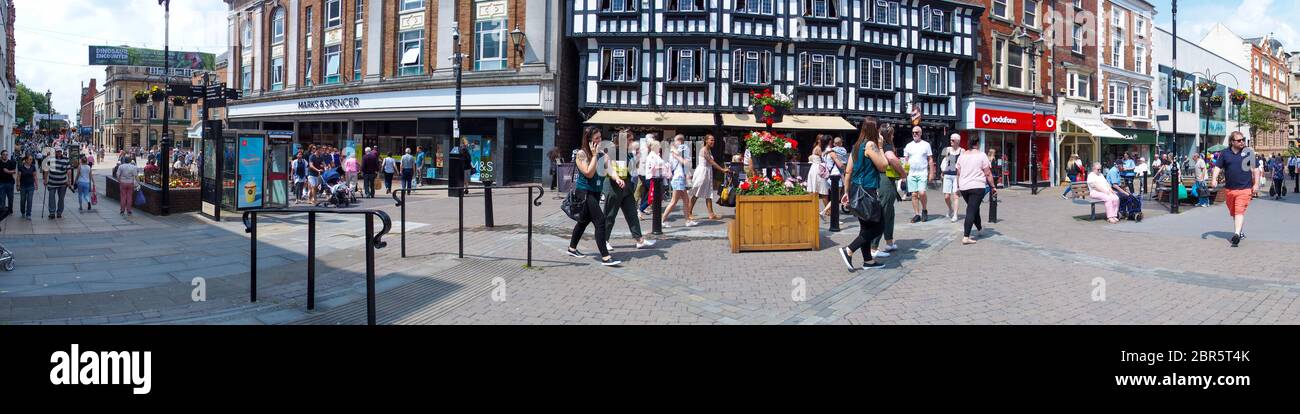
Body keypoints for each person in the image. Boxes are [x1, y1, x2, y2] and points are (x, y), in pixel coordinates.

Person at [836, 117, 888, 271]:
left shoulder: (856, 146)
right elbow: (883, 166)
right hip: (868, 190)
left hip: (856, 189)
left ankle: (868, 261)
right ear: (874, 129)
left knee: (865, 228)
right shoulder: (871, 145)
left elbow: (848, 171)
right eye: (878, 128)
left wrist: (846, 192)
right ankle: (849, 250)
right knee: (879, 226)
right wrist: (881, 146)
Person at [567, 127, 624, 266]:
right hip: (585, 192)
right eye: (596, 138)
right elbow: (588, 173)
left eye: (600, 137)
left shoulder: (602, 154)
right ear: (589, 140)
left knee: (583, 221)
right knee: (600, 221)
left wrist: (617, 178)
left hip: (596, 192)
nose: (600, 141)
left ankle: (571, 248)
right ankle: (605, 256)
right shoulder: (581, 154)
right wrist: (593, 155)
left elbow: (609, 167)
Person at [601, 130, 656, 252]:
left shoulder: (628, 153)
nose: (631, 142)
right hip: (613, 186)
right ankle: (604, 240)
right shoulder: (612, 150)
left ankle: (639, 239)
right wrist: (616, 178)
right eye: (629, 140)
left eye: (632, 140)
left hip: (627, 187)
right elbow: (607, 166)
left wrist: (638, 159)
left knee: (632, 214)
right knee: (610, 215)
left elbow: (632, 170)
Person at [1209, 132, 1258, 247]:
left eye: (1243, 139)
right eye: (1239, 140)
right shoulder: (1225, 153)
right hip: (1230, 189)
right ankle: (1239, 232)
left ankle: (1236, 234)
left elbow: (1255, 169)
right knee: (1234, 213)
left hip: (1245, 188)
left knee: (1239, 210)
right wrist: (1214, 179)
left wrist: (1256, 184)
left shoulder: (1248, 152)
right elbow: (1217, 167)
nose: (1242, 142)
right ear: (1232, 142)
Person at [870, 124, 905, 257]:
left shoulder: (876, 145)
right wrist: (903, 173)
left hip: (882, 179)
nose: (894, 136)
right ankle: (873, 247)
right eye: (892, 134)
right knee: (884, 212)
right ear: (889, 135)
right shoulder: (887, 146)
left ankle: (889, 241)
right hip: (885, 180)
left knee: (889, 212)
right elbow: (891, 158)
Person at [955, 138, 995, 244]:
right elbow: (988, 173)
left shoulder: (962, 156)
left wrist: (958, 186)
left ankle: (980, 229)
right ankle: (966, 236)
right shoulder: (982, 155)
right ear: (977, 144)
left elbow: (958, 173)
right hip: (977, 186)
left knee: (974, 208)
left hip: (964, 187)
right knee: (971, 210)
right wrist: (993, 186)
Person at [686, 134, 727, 222]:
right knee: (696, 193)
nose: (713, 142)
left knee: (709, 193)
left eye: (713, 140)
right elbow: (711, 162)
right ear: (706, 141)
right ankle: (688, 213)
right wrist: (722, 170)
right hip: (702, 173)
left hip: (707, 172)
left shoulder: (708, 150)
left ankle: (711, 214)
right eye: (711, 140)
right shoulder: (704, 150)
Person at [902, 126, 934, 223]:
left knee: (922, 192)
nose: (915, 134)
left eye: (917, 132)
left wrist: (931, 173)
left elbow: (930, 159)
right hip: (911, 172)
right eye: (913, 132)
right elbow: (906, 160)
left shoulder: (926, 145)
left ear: (920, 133)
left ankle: (924, 210)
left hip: (922, 171)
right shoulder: (908, 145)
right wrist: (904, 173)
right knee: (914, 194)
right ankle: (917, 214)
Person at [661, 134, 692, 226]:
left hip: (679, 178)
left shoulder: (675, 151)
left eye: (675, 141)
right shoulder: (679, 150)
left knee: (686, 200)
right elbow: (686, 163)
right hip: (678, 178)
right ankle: (662, 220)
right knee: (674, 201)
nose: (674, 142)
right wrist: (678, 156)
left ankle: (687, 220)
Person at [820, 136, 847, 218]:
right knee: (836, 197)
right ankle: (825, 212)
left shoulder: (824, 152)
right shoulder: (833, 152)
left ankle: (830, 214)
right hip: (835, 176)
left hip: (828, 176)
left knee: (834, 197)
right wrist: (844, 166)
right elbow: (840, 165)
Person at [939, 134, 962, 223]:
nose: (951, 141)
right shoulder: (947, 149)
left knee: (955, 195)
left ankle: (955, 215)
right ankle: (950, 209)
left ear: (957, 141)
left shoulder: (962, 151)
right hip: (948, 173)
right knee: (946, 196)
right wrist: (942, 172)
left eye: (953, 140)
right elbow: (945, 161)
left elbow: (963, 163)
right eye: (950, 140)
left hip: (956, 175)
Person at [807, 135, 829, 219]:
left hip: (815, 169)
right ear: (819, 140)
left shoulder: (817, 147)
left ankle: (817, 209)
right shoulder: (819, 148)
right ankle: (827, 210)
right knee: (823, 191)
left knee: (816, 190)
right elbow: (823, 156)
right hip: (818, 170)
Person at [44, 148, 70, 219]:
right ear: (55, 152)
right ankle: (52, 212)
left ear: (61, 152)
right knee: (51, 198)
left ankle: (59, 212)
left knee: (61, 198)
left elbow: (68, 170)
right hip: (52, 183)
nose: (58, 153)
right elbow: (46, 169)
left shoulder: (66, 159)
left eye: (60, 152)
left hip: (62, 183)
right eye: (57, 152)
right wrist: (45, 179)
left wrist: (69, 180)